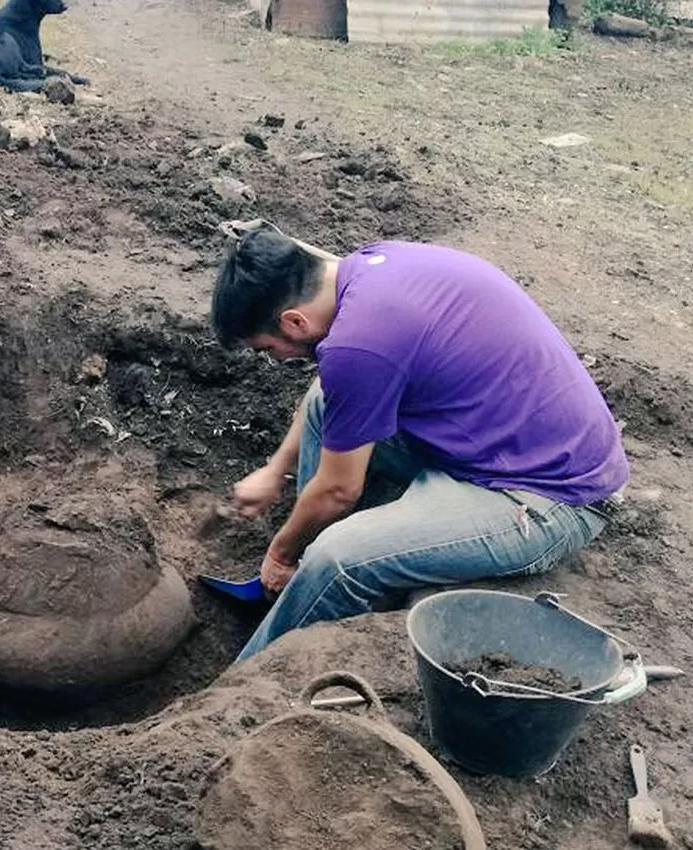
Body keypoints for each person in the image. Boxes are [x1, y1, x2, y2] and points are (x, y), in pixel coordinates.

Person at [210, 226, 628, 662]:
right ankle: (309, 587)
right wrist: (276, 470)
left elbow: (339, 489)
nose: (274, 360)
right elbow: (332, 392)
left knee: (338, 558)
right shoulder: (374, 267)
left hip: (552, 497)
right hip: (502, 442)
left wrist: (281, 551)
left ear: (294, 321)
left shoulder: (358, 346)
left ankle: (248, 678)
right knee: (322, 402)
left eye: (267, 349)